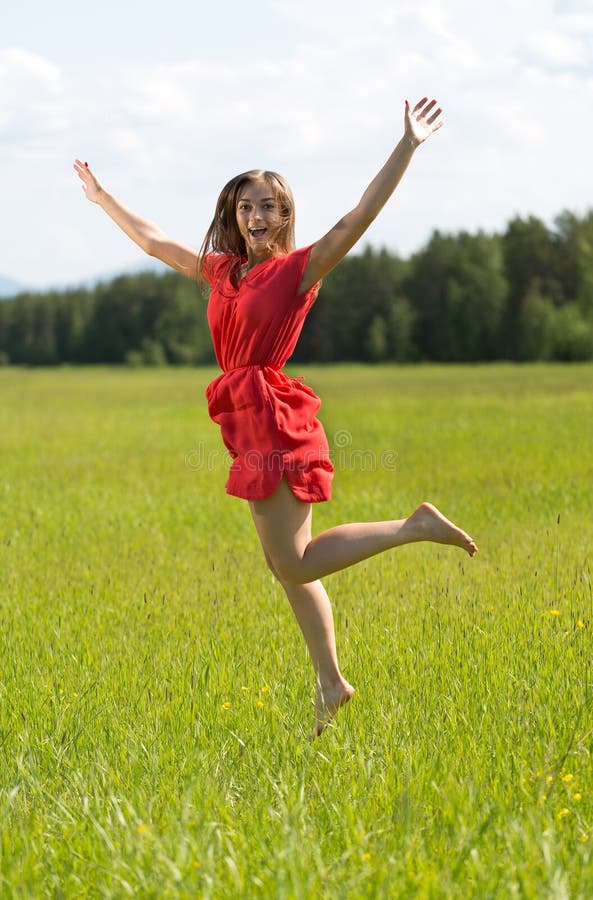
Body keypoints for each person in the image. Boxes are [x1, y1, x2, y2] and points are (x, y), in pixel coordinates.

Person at [74, 97, 477, 738]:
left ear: (284, 216)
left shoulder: (297, 271)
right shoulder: (223, 272)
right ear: (234, 217)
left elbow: (357, 219)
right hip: (246, 416)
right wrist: (103, 199)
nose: (255, 215)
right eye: (246, 206)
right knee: (287, 562)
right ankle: (330, 683)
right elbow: (155, 242)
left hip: (271, 417)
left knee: (292, 563)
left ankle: (412, 526)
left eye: (267, 206)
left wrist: (406, 146)